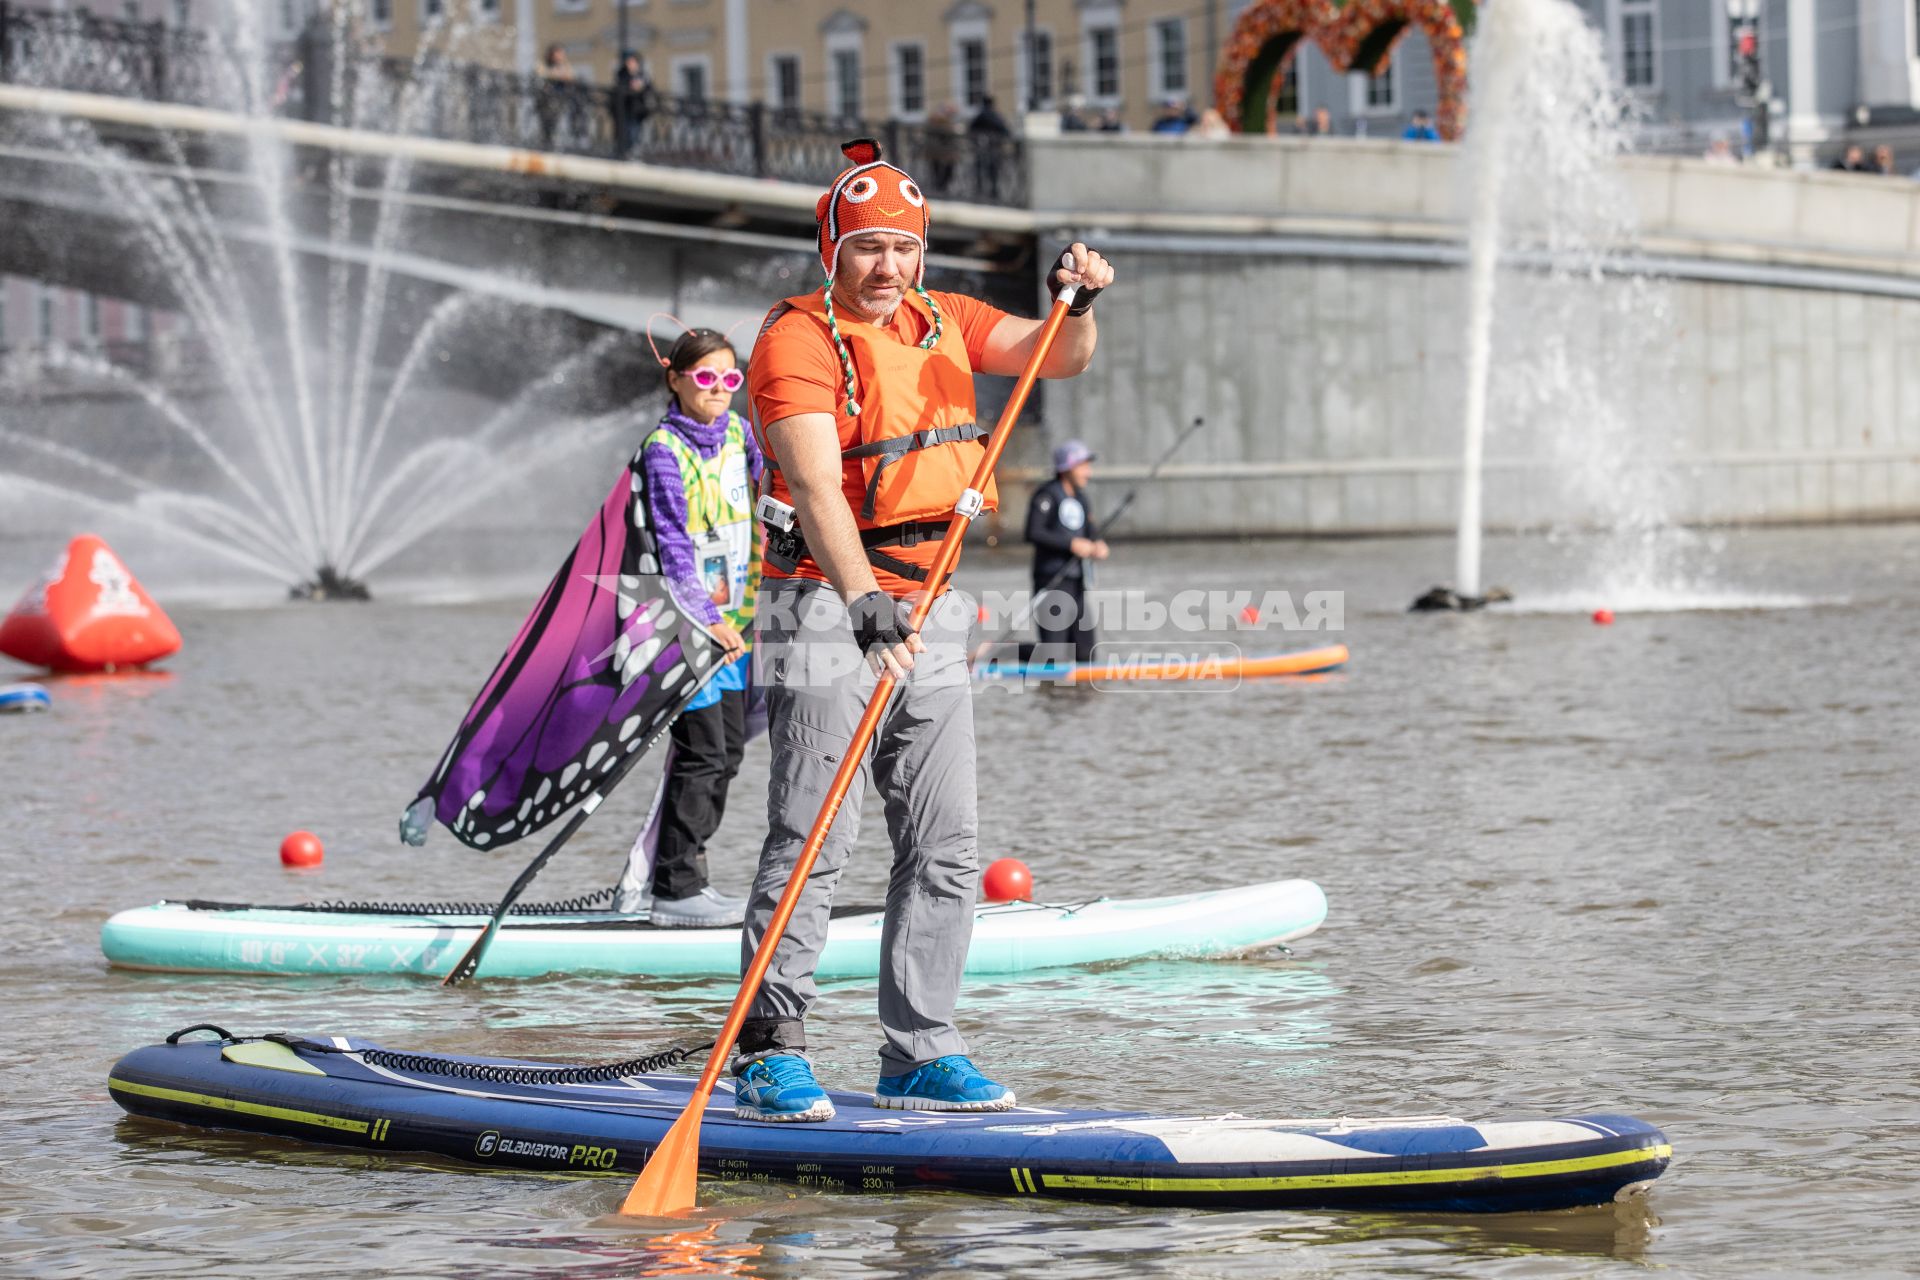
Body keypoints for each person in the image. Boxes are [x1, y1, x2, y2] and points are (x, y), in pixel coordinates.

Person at [735, 138, 1114, 1121]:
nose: (887, 265)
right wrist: (863, 604)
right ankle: (771, 1044)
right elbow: (816, 483)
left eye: (902, 247)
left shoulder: (947, 317)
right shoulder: (796, 338)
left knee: (946, 842)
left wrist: (1078, 301)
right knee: (815, 834)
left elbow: (1055, 357)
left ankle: (919, 1050)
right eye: (866, 247)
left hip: (933, 596)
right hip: (830, 595)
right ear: (833, 249)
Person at [636, 328, 764, 927]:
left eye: (729, 379)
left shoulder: (740, 435)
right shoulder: (663, 450)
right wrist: (708, 619)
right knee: (703, 753)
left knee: (730, 751)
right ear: (676, 379)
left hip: (736, 626)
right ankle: (674, 888)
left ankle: (691, 876)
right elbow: (671, 546)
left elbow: (776, 497)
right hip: (689, 628)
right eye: (705, 378)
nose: (719, 390)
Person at [1025, 439, 1109, 666]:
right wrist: (1071, 544)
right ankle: (998, 652)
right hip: (1052, 580)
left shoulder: (1081, 498)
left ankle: (1081, 700)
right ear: (1067, 469)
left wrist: (1098, 544)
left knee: (1086, 653)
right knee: (1055, 656)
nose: (1088, 473)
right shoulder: (1047, 495)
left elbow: (1090, 532)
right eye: (1083, 466)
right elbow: (1033, 532)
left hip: (1077, 582)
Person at [613, 50, 656, 158]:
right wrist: (631, 87)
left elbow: (649, 88)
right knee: (627, 131)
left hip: (638, 110)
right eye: (629, 62)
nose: (630, 64)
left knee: (635, 130)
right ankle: (626, 151)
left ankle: (634, 150)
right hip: (625, 109)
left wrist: (641, 87)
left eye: (633, 62)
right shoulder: (622, 75)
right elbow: (619, 90)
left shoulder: (642, 75)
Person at [968, 95, 1013, 199]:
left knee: (981, 168)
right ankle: (993, 191)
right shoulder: (995, 115)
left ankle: (980, 189)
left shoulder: (981, 115)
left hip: (983, 147)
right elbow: (1005, 130)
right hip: (993, 147)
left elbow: (971, 129)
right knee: (992, 170)